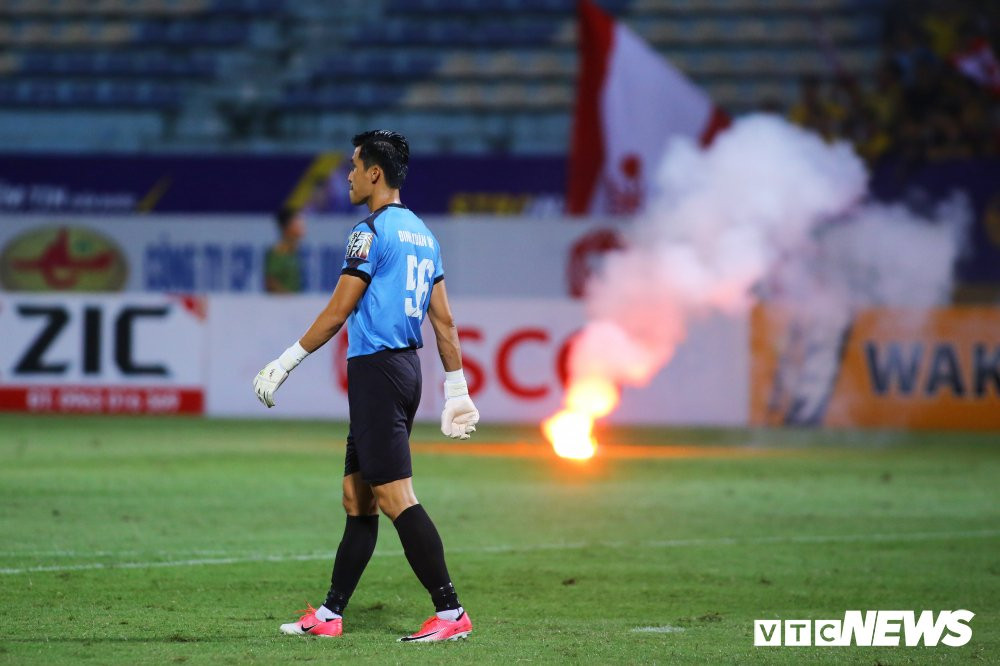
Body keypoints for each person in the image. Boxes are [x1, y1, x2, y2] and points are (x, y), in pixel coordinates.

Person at [252, 130, 480, 643]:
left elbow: (339, 310)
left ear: (375, 173)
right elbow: (444, 322)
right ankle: (330, 614)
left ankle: (450, 613)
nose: (350, 176)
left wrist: (284, 363)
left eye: (354, 167)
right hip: (403, 370)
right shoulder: (425, 235)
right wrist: (457, 388)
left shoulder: (369, 232)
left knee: (397, 497)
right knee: (357, 499)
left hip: (377, 371)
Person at [264, 207, 306, 293]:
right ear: (287, 226)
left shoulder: (294, 252)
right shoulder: (277, 253)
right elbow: (271, 283)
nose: (302, 225)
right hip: (282, 300)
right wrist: (288, 298)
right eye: (297, 222)